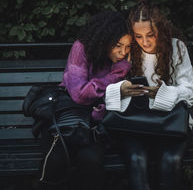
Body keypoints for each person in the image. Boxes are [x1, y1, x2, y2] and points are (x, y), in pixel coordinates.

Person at [105, 0, 193, 190]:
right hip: (136, 123)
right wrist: (121, 89)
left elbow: (192, 91)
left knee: (170, 160)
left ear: (161, 30)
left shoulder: (176, 47)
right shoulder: (130, 50)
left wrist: (164, 93)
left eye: (151, 35)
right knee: (136, 159)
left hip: (171, 122)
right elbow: (108, 89)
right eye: (138, 36)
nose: (145, 42)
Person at [38, 10, 132, 190]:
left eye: (128, 47)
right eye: (118, 46)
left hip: (95, 127)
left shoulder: (119, 58)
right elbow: (79, 94)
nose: (123, 53)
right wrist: (117, 74)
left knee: (91, 161)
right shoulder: (81, 49)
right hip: (68, 120)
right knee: (56, 160)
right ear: (105, 41)